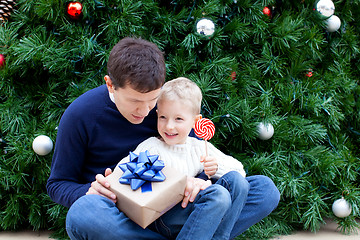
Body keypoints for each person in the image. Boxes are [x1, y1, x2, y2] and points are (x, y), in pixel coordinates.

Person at [46, 37, 280, 240]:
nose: (146, 111)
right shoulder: (80, 115)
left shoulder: (165, 106)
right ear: (110, 84)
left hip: (175, 208)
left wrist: (198, 180)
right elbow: (57, 184)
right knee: (83, 214)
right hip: (119, 213)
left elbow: (190, 151)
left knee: (263, 190)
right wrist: (90, 191)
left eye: (152, 100)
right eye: (135, 102)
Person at [112, 77, 249, 239]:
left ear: (195, 121)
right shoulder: (153, 147)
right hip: (163, 216)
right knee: (219, 195)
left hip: (194, 212)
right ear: (157, 114)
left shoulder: (198, 147)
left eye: (178, 119)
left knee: (237, 181)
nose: (169, 126)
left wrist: (216, 167)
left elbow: (240, 171)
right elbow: (123, 173)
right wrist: (179, 183)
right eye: (163, 117)